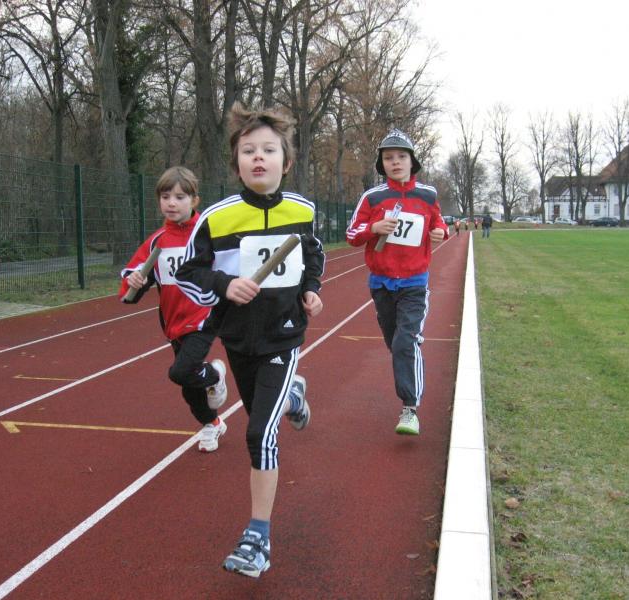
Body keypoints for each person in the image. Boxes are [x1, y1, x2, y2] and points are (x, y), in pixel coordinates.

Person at [175, 103, 324, 578]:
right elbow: (189, 273)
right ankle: (293, 397)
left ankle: (258, 537)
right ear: (236, 162)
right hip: (239, 339)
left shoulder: (302, 210)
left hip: (284, 336)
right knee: (265, 411)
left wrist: (311, 289)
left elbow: (312, 254)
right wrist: (225, 285)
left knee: (260, 433)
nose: (258, 157)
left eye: (269, 150)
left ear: (287, 160)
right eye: (248, 150)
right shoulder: (217, 218)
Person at [345, 129, 448, 436]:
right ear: (382, 164)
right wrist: (374, 227)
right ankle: (410, 355)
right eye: (389, 158)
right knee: (395, 343)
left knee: (405, 342)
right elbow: (352, 234)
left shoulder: (427, 195)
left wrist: (440, 232)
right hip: (382, 284)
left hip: (414, 282)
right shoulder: (373, 197)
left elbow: (438, 223)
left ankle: (410, 408)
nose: (396, 162)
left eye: (402, 156)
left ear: (412, 161)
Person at [119, 166, 229, 453]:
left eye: (180, 197)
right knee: (188, 387)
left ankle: (214, 375)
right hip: (173, 321)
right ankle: (212, 423)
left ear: (194, 200)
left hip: (204, 316)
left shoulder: (208, 234)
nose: (171, 203)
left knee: (181, 372)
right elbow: (134, 276)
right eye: (165, 197)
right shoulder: (157, 241)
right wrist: (134, 281)